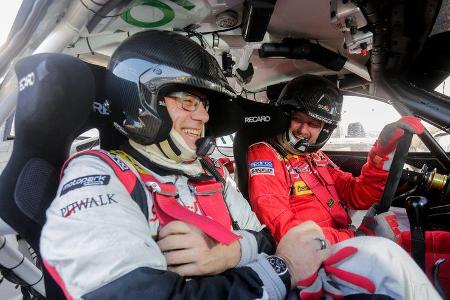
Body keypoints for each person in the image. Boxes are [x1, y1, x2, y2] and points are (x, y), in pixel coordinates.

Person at [39, 31, 439, 300]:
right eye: (188, 102)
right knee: (382, 260)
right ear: (143, 98)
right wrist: (278, 268)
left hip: (283, 272)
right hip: (289, 274)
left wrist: (231, 253)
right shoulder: (99, 173)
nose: (202, 118)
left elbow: (262, 239)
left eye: (205, 105)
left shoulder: (211, 172)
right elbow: (278, 242)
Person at [247, 75, 424, 245]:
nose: (302, 130)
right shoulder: (265, 154)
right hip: (314, 255)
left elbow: (358, 195)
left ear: (325, 129)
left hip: (340, 241)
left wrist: (382, 154)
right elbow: (284, 229)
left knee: (429, 242)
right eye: (297, 119)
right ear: (285, 116)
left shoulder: (315, 157)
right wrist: (353, 237)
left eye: (314, 124)